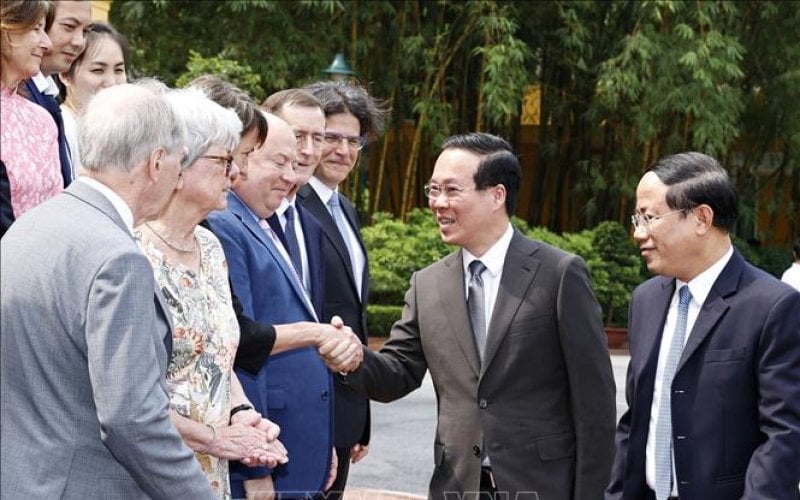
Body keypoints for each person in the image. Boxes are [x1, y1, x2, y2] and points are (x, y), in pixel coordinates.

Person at [335, 132, 617, 499]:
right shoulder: (428, 284)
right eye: (433, 190)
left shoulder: (559, 274)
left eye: (451, 190)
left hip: (543, 485)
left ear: (496, 195)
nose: (438, 202)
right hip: (458, 485)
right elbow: (397, 373)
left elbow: (594, 404)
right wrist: (353, 359)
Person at [0, 83, 216, 499]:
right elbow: (133, 417)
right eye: (179, 161)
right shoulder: (118, 260)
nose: (179, 175)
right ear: (157, 163)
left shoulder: (29, 226)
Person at [606, 152, 800, 500]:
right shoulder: (645, 300)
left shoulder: (772, 306)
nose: (638, 233)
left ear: (701, 218)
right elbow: (636, 419)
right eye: (636, 218)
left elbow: (785, 435)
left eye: (649, 217)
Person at [135, 87, 288, 500]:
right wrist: (214, 439)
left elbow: (216, 357)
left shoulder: (210, 246)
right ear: (178, 167)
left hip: (211, 472)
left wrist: (243, 416)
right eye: (224, 160)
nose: (235, 174)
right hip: (152, 471)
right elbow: (124, 399)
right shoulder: (132, 253)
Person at [208, 113, 355, 499]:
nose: (291, 177)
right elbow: (236, 347)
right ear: (242, 156)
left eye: (294, 165)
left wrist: (322, 441)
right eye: (279, 162)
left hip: (296, 447)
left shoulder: (264, 222)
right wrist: (252, 467)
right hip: (263, 455)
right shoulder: (224, 225)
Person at [299, 80, 388, 497]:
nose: (343, 151)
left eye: (354, 141)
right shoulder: (290, 206)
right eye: (330, 138)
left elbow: (353, 316)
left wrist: (360, 417)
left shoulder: (345, 209)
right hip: (307, 408)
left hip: (345, 407)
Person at [0, 0, 60, 223]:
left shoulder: (42, 119)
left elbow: (58, 206)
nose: (47, 43)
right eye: (37, 28)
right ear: (6, 29)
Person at [22, 0, 92, 187]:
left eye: (85, 32)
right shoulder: (16, 96)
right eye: (69, 27)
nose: (79, 42)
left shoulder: (45, 91)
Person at [58, 22, 129, 175]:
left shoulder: (121, 132)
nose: (111, 82)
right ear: (65, 75)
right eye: (98, 70)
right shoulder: (60, 129)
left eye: (118, 70)